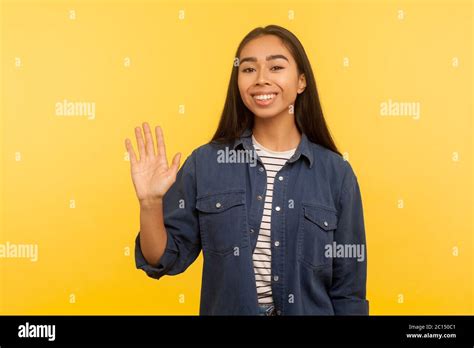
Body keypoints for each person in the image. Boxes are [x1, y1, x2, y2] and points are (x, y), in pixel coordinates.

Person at [125, 24, 369, 316]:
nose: (261, 80)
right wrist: (150, 203)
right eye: (249, 69)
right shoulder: (206, 164)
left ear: (301, 81)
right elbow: (162, 258)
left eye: (276, 67)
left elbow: (349, 293)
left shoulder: (336, 175)